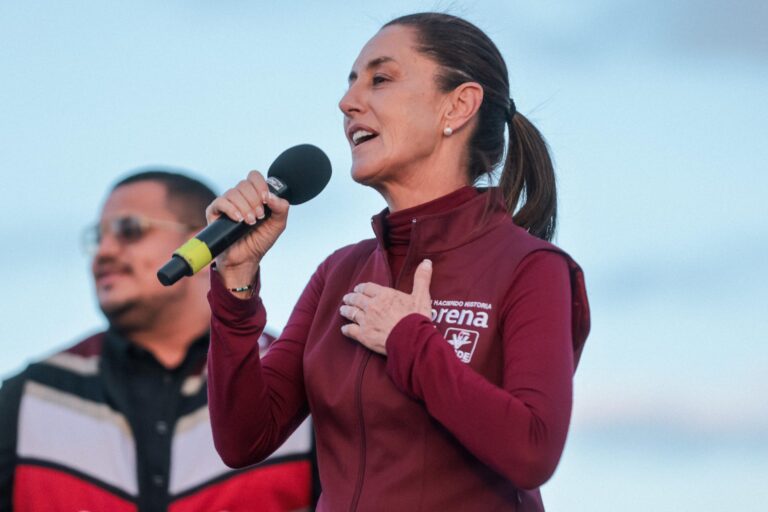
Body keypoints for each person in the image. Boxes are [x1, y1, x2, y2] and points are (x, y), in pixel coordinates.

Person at [205, 12, 590, 512]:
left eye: (380, 79)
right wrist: (235, 287)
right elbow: (244, 439)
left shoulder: (532, 267)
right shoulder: (338, 273)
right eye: (350, 83)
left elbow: (532, 450)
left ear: (459, 105)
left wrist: (409, 341)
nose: (347, 103)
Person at [0, 170, 316, 512]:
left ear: (208, 240)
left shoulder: (292, 385)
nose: (103, 251)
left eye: (129, 230)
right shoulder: (30, 395)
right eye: (98, 237)